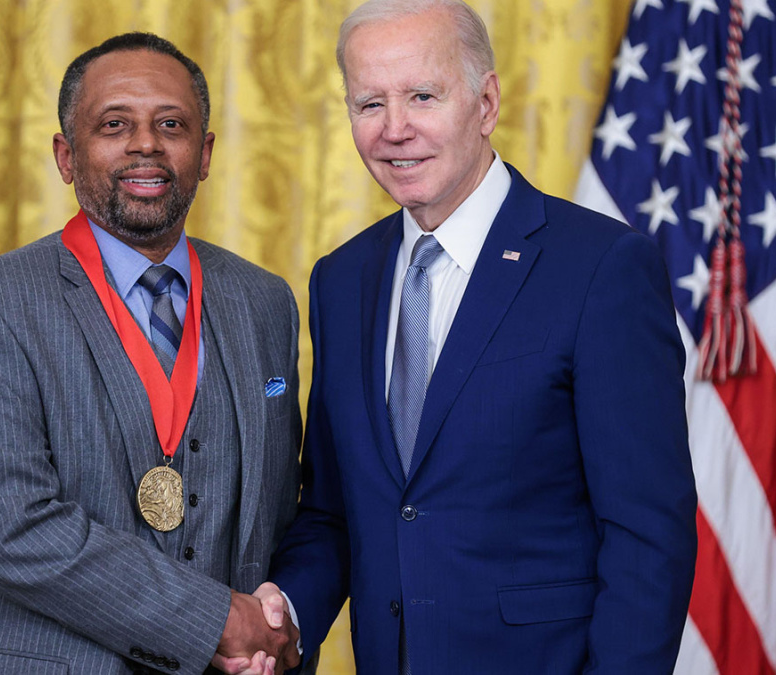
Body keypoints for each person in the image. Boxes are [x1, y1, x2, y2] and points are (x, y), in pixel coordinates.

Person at [249, 1, 699, 673]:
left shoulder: (600, 266)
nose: (394, 130)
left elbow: (646, 534)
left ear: (484, 103)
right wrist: (281, 613)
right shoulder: (339, 280)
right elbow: (335, 511)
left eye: (421, 96)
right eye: (369, 104)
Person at [0, 32, 302, 675]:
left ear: (205, 153)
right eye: (113, 125)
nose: (145, 145)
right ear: (66, 155)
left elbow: (281, 511)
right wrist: (214, 621)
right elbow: (12, 530)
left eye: (171, 124)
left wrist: (273, 627)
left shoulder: (266, 302)